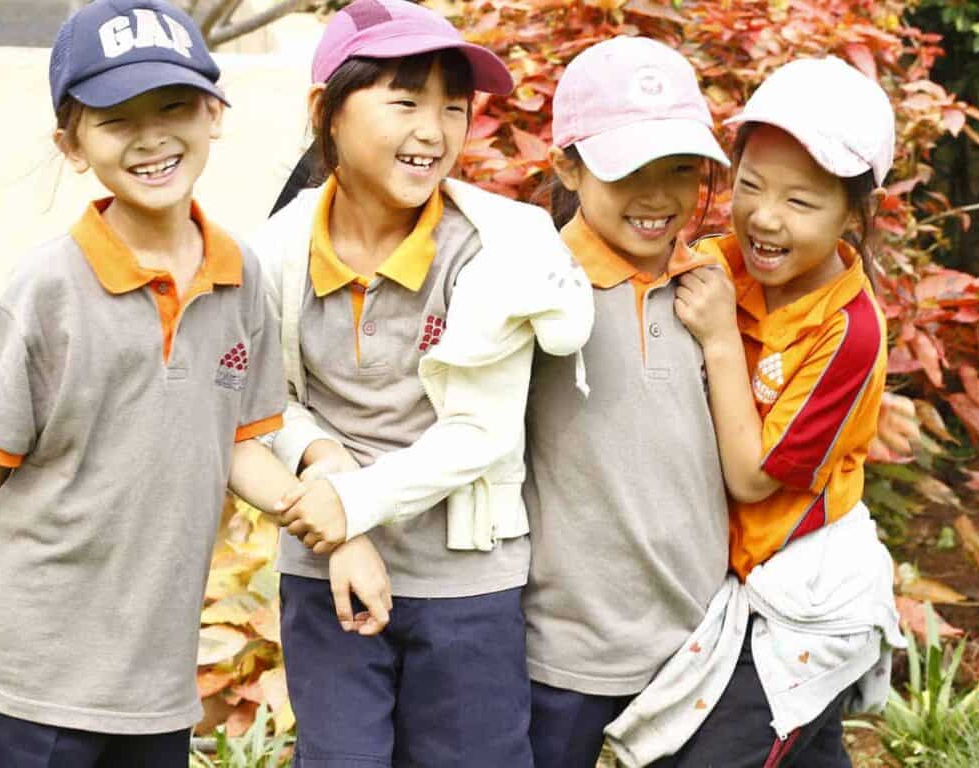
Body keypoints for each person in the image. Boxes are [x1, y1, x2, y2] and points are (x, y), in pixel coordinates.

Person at [0, 2, 307, 764]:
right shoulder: (47, 289)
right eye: (117, 119)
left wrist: (313, 507)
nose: (151, 137)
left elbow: (236, 442)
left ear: (215, 114)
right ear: (72, 145)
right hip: (31, 664)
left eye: (174, 107)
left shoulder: (240, 277)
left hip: (153, 676)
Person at [250, 1, 593, 764]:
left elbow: (479, 432)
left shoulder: (497, 249)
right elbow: (267, 405)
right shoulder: (275, 252)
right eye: (405, 103)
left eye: (453, 108)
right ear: (326, 111)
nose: (434, 132)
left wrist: (349, 505)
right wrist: (330, 486)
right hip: (325, 576)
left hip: (464, 583)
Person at [604, 56, 908, 767]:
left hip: (804, 597)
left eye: (801, 201)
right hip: (735, 577)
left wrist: (718, 339)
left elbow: (750, 477)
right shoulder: (718, 263)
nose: (765, 218)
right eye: (749, 186)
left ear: (854, 213)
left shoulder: (849, 331)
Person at [518, 37, 733, 768]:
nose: (658, 196)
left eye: (680, 169)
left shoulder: (711, 289)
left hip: (695, 642)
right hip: (565, 646)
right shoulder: (535, 288)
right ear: (568, 167)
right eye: (629, 170)